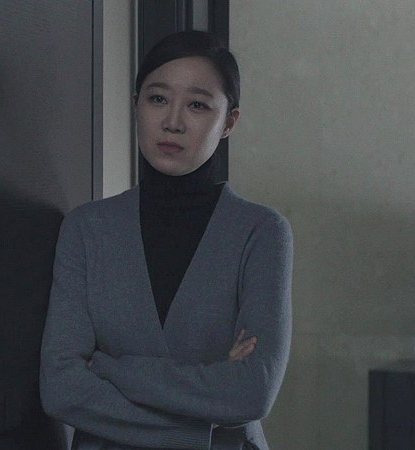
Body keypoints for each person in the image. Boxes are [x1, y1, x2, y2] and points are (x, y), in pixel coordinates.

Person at [39, 30, 293, 450]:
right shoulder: (86, 229)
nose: (173, 121)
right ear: (135, 103)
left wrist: (110, 368)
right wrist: (197, 426)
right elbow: (61, 388)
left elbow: (252, 393)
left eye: (197, 105)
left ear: (229, 122)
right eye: (157, 98)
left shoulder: (261, 231)